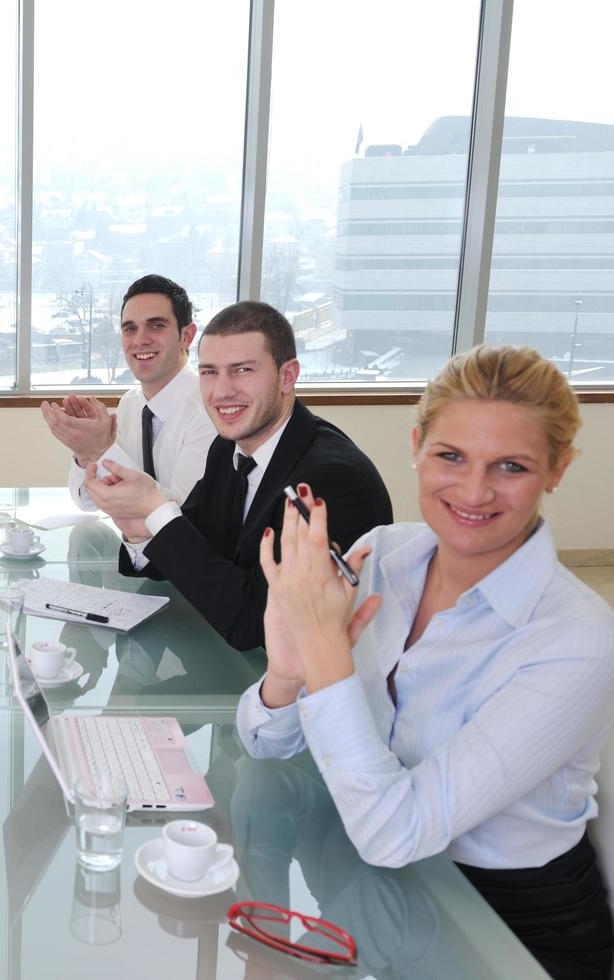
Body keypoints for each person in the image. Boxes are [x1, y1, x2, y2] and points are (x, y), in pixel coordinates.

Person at [239, 345, 614, 980]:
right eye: (450, 456)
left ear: (557, 469)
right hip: (373, 885)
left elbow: (395, 833)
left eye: (512, 466)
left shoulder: (577, 638)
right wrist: (287, 672)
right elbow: (265, 744)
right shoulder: (381, 554)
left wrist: (327, 652)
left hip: (506, 930)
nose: (473, 490)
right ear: (417, 445)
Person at [84, 300, 392, 650]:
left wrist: (156, 509)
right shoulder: (228, 449)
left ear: (287, 376)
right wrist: (137, 526)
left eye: (243, 370)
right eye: (210, 372)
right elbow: (192, 553)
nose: (222, 391)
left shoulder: (333, 482)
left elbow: (257, 625)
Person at [40, 274, 214, 511]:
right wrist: (84, 453)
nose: (140, 340)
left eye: (156, 326)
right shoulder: (131, 404)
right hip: (132, 545)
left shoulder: (209, 410)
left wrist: (100, 449)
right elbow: (87, 502)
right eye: (130, 329)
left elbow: (181, 513)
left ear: (187, 336)